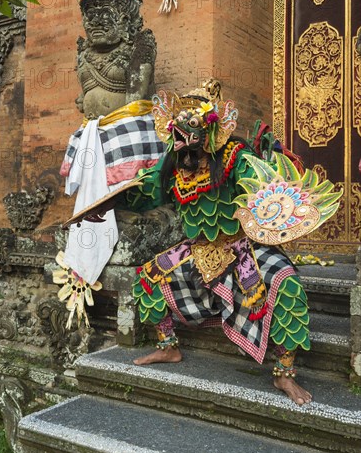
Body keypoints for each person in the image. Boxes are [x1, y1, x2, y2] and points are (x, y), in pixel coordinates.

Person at [82, 79, 341, 405]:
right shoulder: (171, 164)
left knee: (286, 284)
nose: (184, 139)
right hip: (198, 249)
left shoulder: (234, 156)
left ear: (210, 129)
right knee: (148, 277)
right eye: (179, 127)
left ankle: (284, 373)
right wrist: (111, 202)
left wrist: (272, 198)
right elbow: (146, 192)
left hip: (242, 247)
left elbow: (261, 184)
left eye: (192, 126)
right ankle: (168, 347)